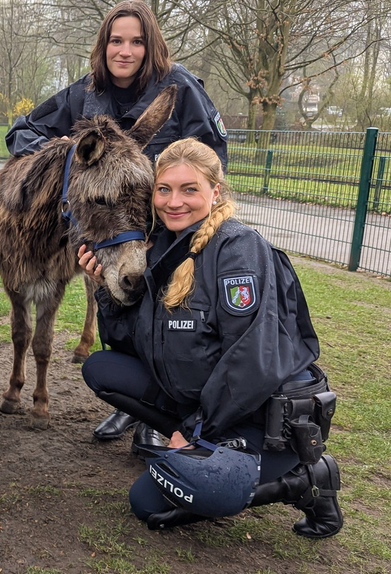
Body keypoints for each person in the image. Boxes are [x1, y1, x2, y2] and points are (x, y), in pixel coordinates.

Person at [78, 138, 342, 537]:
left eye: (189, 189)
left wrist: (196, 431)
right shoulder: (163, 248)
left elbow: (252, 362)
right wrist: (105, 288)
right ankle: (199, 454)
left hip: (263, 421)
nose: (173, 202)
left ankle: (307, 479)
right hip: (205, 401)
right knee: (101, 369)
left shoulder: (239, 250)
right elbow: (135, 345)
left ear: (215, 191)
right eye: (164, 189)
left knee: (149, 503)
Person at [6, 0, 228, 442]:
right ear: (103, 45)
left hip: (169, 224)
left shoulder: (180, 87)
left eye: (137, 42)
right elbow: (22, 133)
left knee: (172, 318)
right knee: (117, 311)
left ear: (151, 46)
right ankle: (133, 405)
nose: (125, 51)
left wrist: (182, 205)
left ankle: (166, 416)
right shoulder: (85, 93)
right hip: (112, 226)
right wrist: (64, 157)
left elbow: (212, 157)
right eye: (116, 40)